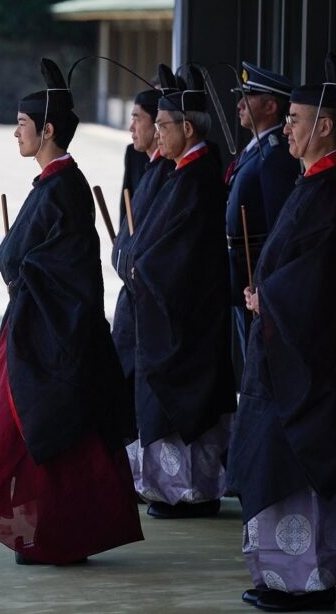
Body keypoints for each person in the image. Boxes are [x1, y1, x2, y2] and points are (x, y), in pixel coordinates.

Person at [0, 58, 143, 565]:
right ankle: (47, 534)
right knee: (36, 435)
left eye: (22, 125)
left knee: (53, 435)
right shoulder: (57, 185)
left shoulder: (62, 187)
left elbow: (56, 267)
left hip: (55, 337)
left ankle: (60, 537)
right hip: (40, 328)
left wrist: (17, 263)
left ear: (49, 130)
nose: (15, 133)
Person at [226, 57, 336, 612]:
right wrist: (262, 294)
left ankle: (309, 581)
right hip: (280, 346)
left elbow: (318, 277)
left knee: (298, 461)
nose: (285, 128)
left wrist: (271, 298)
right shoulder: (309, 182)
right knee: (269, 458)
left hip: (309, 358)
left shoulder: (335, 188)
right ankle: (279, 574)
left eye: (294, 118)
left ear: (325, 125)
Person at [123, 64, 236, 519]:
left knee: (188, 403)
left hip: (188, 312)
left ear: (188, 128)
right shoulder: (175, 171)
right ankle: (171, 490)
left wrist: (141, 266)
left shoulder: (199, 175)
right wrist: (131, 259)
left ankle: (193, 494)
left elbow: (181, 250)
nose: (156, 134)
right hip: (165, 307)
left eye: (163, 126)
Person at [225, 62, 298, 368]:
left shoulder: (274, 156)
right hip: (243, 281)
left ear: (270, 106)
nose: (239, 103)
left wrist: (262, 286)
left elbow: (278, 230)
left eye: (248, 96)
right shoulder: (256, 151)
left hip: (255, 283)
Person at [111, 84, 176, 402]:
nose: (131, 126)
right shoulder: (139, 160)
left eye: (138, 118)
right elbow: (128, 211)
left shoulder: (171, 172)